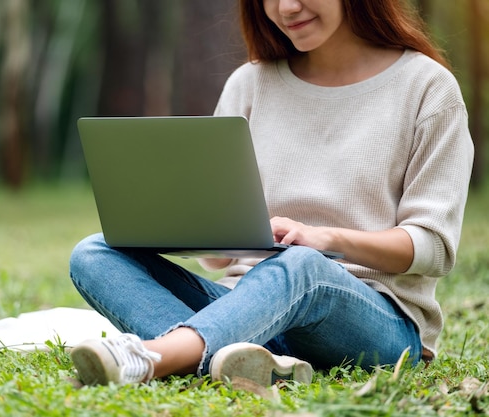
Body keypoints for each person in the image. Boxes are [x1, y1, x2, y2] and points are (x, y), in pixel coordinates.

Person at [68, 0, 474, 387]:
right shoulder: (250, 83)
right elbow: (219, 259)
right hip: (247, 306)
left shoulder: (428, 88)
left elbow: (433, 246)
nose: (286, 8)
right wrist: (197, 224)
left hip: (375, 321)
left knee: (303, 264)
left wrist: (327, 239)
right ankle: (252, 362)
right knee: (94, 252)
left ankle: (157, 357)